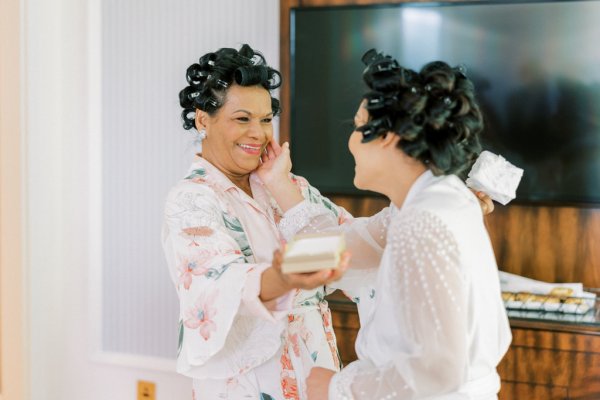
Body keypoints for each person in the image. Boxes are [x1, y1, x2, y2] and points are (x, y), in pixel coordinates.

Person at [259, 49, 512, 399]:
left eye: (358, 126)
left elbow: (439, 371)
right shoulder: (436, 200)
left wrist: (336, 387)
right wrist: (277, 183)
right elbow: (339, 245)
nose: (350, 140)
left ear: (389, 136)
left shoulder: (423, 221)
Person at [161, 44, 353, 400]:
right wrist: (285, 275)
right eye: (242, 118)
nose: (259, 133)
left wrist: (281, 185)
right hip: (247, 380)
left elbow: (345, 242)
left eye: (266, 120)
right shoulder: (192, 199)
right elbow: (216, 279)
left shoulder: (287, 185)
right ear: (203, 119)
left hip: (314, 366)